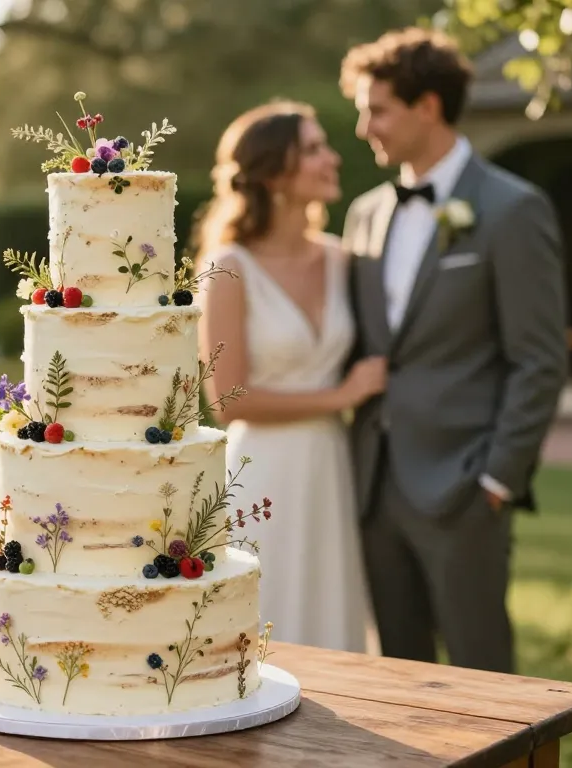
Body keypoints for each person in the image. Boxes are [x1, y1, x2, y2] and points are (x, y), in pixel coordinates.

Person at [339, 27, 569, 673]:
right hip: (373, 481)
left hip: (466, 485)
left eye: (376, 109)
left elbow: (539, 357)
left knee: (482, 671)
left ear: (428, 107)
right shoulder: (362, 215)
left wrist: (498, 477)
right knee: (399, 675)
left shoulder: (513, 209)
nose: (364, 128)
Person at [195, 101, 386, 652]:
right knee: (265, 625)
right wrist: (343, 395)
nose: (332, 158)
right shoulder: (228, 267)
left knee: (333, 618)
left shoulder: (342, 259)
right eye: (313, 148)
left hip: (332, 469)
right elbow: (227, 400)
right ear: (274, 173)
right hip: (264, 477)